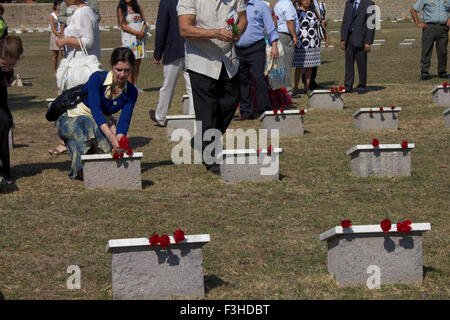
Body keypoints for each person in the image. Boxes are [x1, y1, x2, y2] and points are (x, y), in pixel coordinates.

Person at [177, 0, 248, 172]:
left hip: (228, 59)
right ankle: (210, 157)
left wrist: (237, 31)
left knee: (232, 100)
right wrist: (215, 33)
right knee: (207, 109)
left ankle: (204, 138)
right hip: (201, 59)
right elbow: (184, 28)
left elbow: (243, 18)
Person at [56, 47, 138, 180]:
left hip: (98, 123)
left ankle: (92, 157)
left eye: (127, 70)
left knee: (109, 150)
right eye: (119, 69)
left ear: (132, 69)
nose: (122, 74)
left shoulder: (132, 92)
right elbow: (96, 111)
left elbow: (124, 120)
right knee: (85, 123)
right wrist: (111, 135)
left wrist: (118, 140)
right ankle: (80, 168)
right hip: (72, 118)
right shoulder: (97, 78)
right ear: (112, 66)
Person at [149, 0, 194, 127]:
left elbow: (161, 28)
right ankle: (193, 116)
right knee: (192, 86)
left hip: (173, 49)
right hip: (192, 48)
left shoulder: (166, 2)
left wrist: (158, 52)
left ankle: (161, 116)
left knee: (168, 85)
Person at [235, 0, 279, 120]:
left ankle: (265, 110)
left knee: (258, 78)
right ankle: (246, 112)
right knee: (242, 80)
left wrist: (274, 46)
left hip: (256, 47)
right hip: (238, 49)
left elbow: (270, 27)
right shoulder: (234, 5)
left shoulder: (260, 6)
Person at [0, 35, 23, 186]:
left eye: (11, 65)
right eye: (4, 65)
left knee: (5, 123)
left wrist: (7, 78)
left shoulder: (7, 68)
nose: (7, 68)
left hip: (1, 100)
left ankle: (4, 171)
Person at [293, 0, 328, 94]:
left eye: (308, 0)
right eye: (304, 0)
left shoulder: (313, 11)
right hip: (302, 43)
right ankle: (296, 86)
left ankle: (307, 87)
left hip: (313, 42)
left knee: (310, 66)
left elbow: (320, 23)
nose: (306, 2)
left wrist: (326, 38)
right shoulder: (296, 11)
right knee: (299, 67)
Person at [340, 0, 375, 93]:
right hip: (349, 38)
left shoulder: (369, 4)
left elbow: (371, 25)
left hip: (362, 39)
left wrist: (368, 42)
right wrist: (343, 38)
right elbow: (345, 21)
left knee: (361, 64)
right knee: (349, 64)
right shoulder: (349, 3)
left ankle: (362, 86)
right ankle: (348, 86)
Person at [410, 0, 450, 80]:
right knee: (426, 50)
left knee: (443, 51)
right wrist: (418, 23)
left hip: (443, 28)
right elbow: (413, 9)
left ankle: (442, 72)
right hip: (429, 27)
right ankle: (424, 73)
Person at [117, 0, 147, 89]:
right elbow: (123, 25)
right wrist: (136, 33)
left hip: (138, 40)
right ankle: (129, 86)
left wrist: (142, 31)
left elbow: (144, 22)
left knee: (137, 63)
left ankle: (135, 85)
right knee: (129, 63)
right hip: (129, 40)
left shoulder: (138, 8)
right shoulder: (121, 9)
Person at [274, 0, 299, 95]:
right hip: (285, 35)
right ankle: (287, 90)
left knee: (280, 63)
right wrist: (294, 36)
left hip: (279, 34)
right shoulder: (287, 4)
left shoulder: (278, 3)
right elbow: (289, 21)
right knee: (286, 64)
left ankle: (279, 88)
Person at [302, 0, 327, 89]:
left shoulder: (316, 2)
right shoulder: (308, 3)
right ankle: (306, 82)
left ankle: (312, 81)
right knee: (307, 62)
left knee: (314, 61)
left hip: (315, 35)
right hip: (307, 37)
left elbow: (319, 18)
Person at [50, 0, 64, 76]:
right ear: (55, 6)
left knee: (64, 55)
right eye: (58, 5)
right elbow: (52, 28)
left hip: (63, 35)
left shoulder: (63, 14)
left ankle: (62, 70)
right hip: (55, 36)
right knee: (55, 55)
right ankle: (55, 71)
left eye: (61, 5)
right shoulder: (52, 15)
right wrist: (59, 35)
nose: (60, 6)